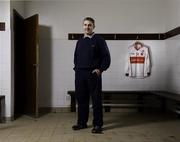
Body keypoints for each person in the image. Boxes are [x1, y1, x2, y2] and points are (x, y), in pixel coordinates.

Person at [72, 17, 111, 133]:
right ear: (82, 26)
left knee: (96, 100)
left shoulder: (99, 40)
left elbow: (106, 57)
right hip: (80, 74)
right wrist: (76, 69)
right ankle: (82, 123)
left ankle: (98, 125)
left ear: (94, 26)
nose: (87, 27)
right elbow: (76, 57)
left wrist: (100, 69)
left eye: (89, 25)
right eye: (85, 25)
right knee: (81, 99)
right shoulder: (79, 41)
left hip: (93, 74)